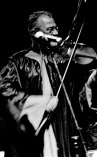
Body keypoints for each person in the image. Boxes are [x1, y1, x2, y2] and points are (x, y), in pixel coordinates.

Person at [0, 11, 77, 157]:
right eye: (49, 30)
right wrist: (40, 103)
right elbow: (4, 92)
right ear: (35, 34)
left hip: (61, 131)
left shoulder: (61, 61)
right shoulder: (19, 62)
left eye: (56, 28)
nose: (55, 32)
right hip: (35, 136)